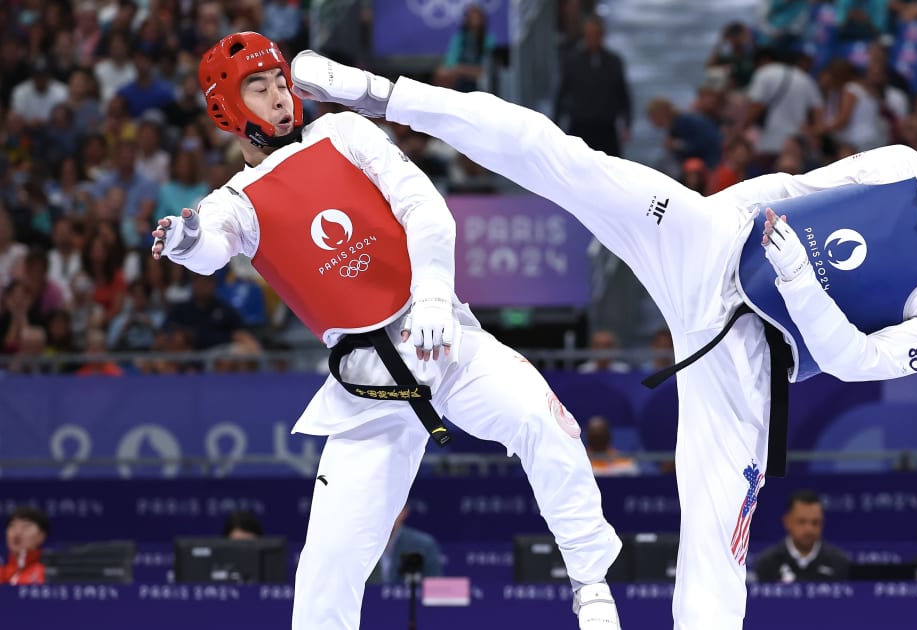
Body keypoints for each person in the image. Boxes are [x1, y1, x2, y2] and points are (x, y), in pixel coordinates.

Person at [290, 52, 917, 630]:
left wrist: (798, 284)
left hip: (754, 358)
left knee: (719, 536)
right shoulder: (897, 166)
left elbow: (859, 362)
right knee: (565, 159)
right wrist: (699, 223)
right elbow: (789, 189)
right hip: (715, 245)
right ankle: (382, 93)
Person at [150, 32, 622, 630]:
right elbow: (213, 245)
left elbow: (425, 208)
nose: (279, 96)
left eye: (280, 82)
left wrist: (429, 295)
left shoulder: (344, 133)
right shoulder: (235, 201)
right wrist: (188, 241)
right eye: (259, 88)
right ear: (228, 108)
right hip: (366, 388)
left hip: (444, 336)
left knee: (545, 421)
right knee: (326, 570)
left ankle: (591, 585)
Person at [752, 490, 851, 582]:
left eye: (815, 522)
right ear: (787, 522)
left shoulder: (840, 563)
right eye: (801, 522)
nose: (809, 529)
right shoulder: (767, 563)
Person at [2, 506, 50, 585]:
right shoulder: (2, 571)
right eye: (12, 525)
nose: (17, 533)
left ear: (41, 536)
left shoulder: (49, 572)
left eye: (26, 527)